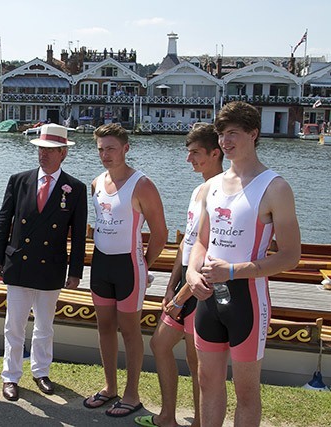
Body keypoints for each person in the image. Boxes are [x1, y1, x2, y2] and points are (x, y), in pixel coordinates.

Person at [186, 102, 301, 427]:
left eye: (233, 133)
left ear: (253, 133)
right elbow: (202, 241)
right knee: (208, 381)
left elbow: (290, 255)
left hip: (246, 300)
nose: (225, 141)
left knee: (246, 392)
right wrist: (194, 271)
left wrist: (233, 271)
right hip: (209, 297)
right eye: (222, 134)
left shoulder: (275, 188)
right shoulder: (212, 186)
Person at [0, 123, 87, 401]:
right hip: (18, 263)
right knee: (14, 325)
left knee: (45, 325)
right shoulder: (19, 180)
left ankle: (41, 371)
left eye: (49, 150)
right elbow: (4, 221)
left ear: (63, 154)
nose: (43, 155)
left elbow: (78, 235)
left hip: (51, 266)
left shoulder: (75, 189)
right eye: (40, 149)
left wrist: (75, 271)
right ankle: (10, 376)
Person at [134, 124, 223, 427]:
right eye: (188, 153)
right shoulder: (198, 189)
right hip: (185, 280)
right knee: (160, 345)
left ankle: (200, 422)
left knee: (196, 360)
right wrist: (171, 287)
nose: (189, 160)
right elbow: (188, 243)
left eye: (195, 153)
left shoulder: (224, 191)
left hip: (203, 286)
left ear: (216, 152)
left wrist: (183, 294)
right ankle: (167, 416)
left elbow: (212, 251)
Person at [82, 123, 167, 418]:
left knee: (130, 331)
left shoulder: (142, 184)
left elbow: (160, 233)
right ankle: (110, 387)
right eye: (101, 149)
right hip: (101, 264)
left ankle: (132, 394)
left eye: (111, 149)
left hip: (130, 266)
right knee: (104, 326)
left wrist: (145, 263)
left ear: (126, 148)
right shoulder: (96, 183)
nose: (106, 155)